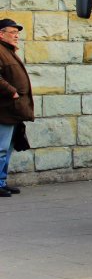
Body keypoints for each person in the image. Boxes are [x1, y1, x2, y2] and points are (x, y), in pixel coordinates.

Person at [0, 18, 34, 198]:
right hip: (4, 110)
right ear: (1, 34)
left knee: (8, 148)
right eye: (13, 33)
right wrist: (12, 91)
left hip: (13, 111)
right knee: (1, 148)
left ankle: (2, 181)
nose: (16, 36)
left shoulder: (8, 51)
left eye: (17, 33)